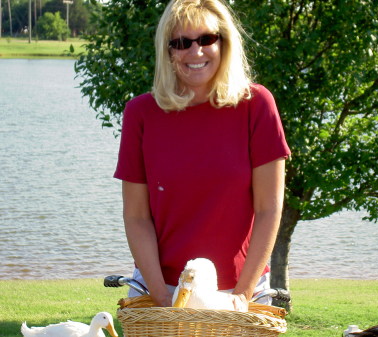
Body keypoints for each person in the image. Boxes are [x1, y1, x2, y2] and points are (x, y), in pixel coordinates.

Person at [114, 0, 291, 310]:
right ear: (167, 50)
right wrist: (161, 296)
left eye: (207, 39)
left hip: (239, 291)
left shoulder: (257, 105)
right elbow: (136, 216)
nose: (195, 52)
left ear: (224, 42)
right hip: (162, 289)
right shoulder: (140, 113)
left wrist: (242, 294)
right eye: (182, 43)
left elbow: (269, 208)